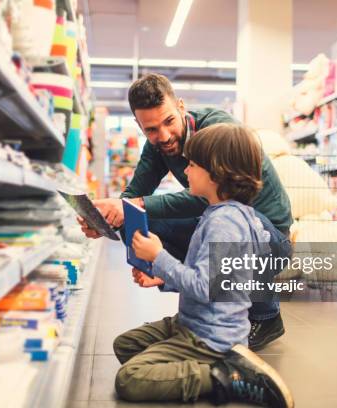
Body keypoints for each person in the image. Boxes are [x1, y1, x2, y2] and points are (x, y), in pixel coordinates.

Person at [79, 73, 293, 350]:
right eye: (151, 129)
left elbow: (211, 200)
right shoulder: (157, 145)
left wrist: (136, 205)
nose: (164, 136)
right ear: (140, 126)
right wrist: (107, 219)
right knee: (140, 221)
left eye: (168, 121)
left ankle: (266, 316)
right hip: (224, 223)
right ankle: (204, 307)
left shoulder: (217, 132)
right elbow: (133, 195)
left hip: (269, 235)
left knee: (232, 219)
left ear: (180, 106)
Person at [112, 123, 293, 407]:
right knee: (125, 345)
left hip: (210, 334)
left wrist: (158, 256)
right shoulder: (222, 214)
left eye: (193, 164)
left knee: (130, 377)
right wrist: (163, 279)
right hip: (194, 321)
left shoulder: (225, 223)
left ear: (218, 172)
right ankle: (193, 359)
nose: (185, 171)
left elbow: (204, 286)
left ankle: (225, 375)